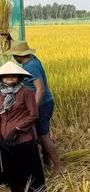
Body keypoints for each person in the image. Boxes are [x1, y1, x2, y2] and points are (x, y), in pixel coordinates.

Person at [6, 41, 63, 173]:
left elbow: (40, 88)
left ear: (20, 55)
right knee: (42, 134)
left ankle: (59, 167)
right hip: (46, 103)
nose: (14, 57)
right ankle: (47, 164)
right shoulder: (33, 60)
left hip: (41, 105)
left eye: (15, 54)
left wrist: (33, 108)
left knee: (42, 136)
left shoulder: (31, 67)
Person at [0, 61, 45, 192]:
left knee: (30, 167)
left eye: (13, 76)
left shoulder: (26, 92)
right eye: (6, 77)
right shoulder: (0, 94)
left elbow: (33, 114)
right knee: (12, 167)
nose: (9, 79)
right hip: (4, 137)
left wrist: (16, 130)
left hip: (23, 137)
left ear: (19, 78)